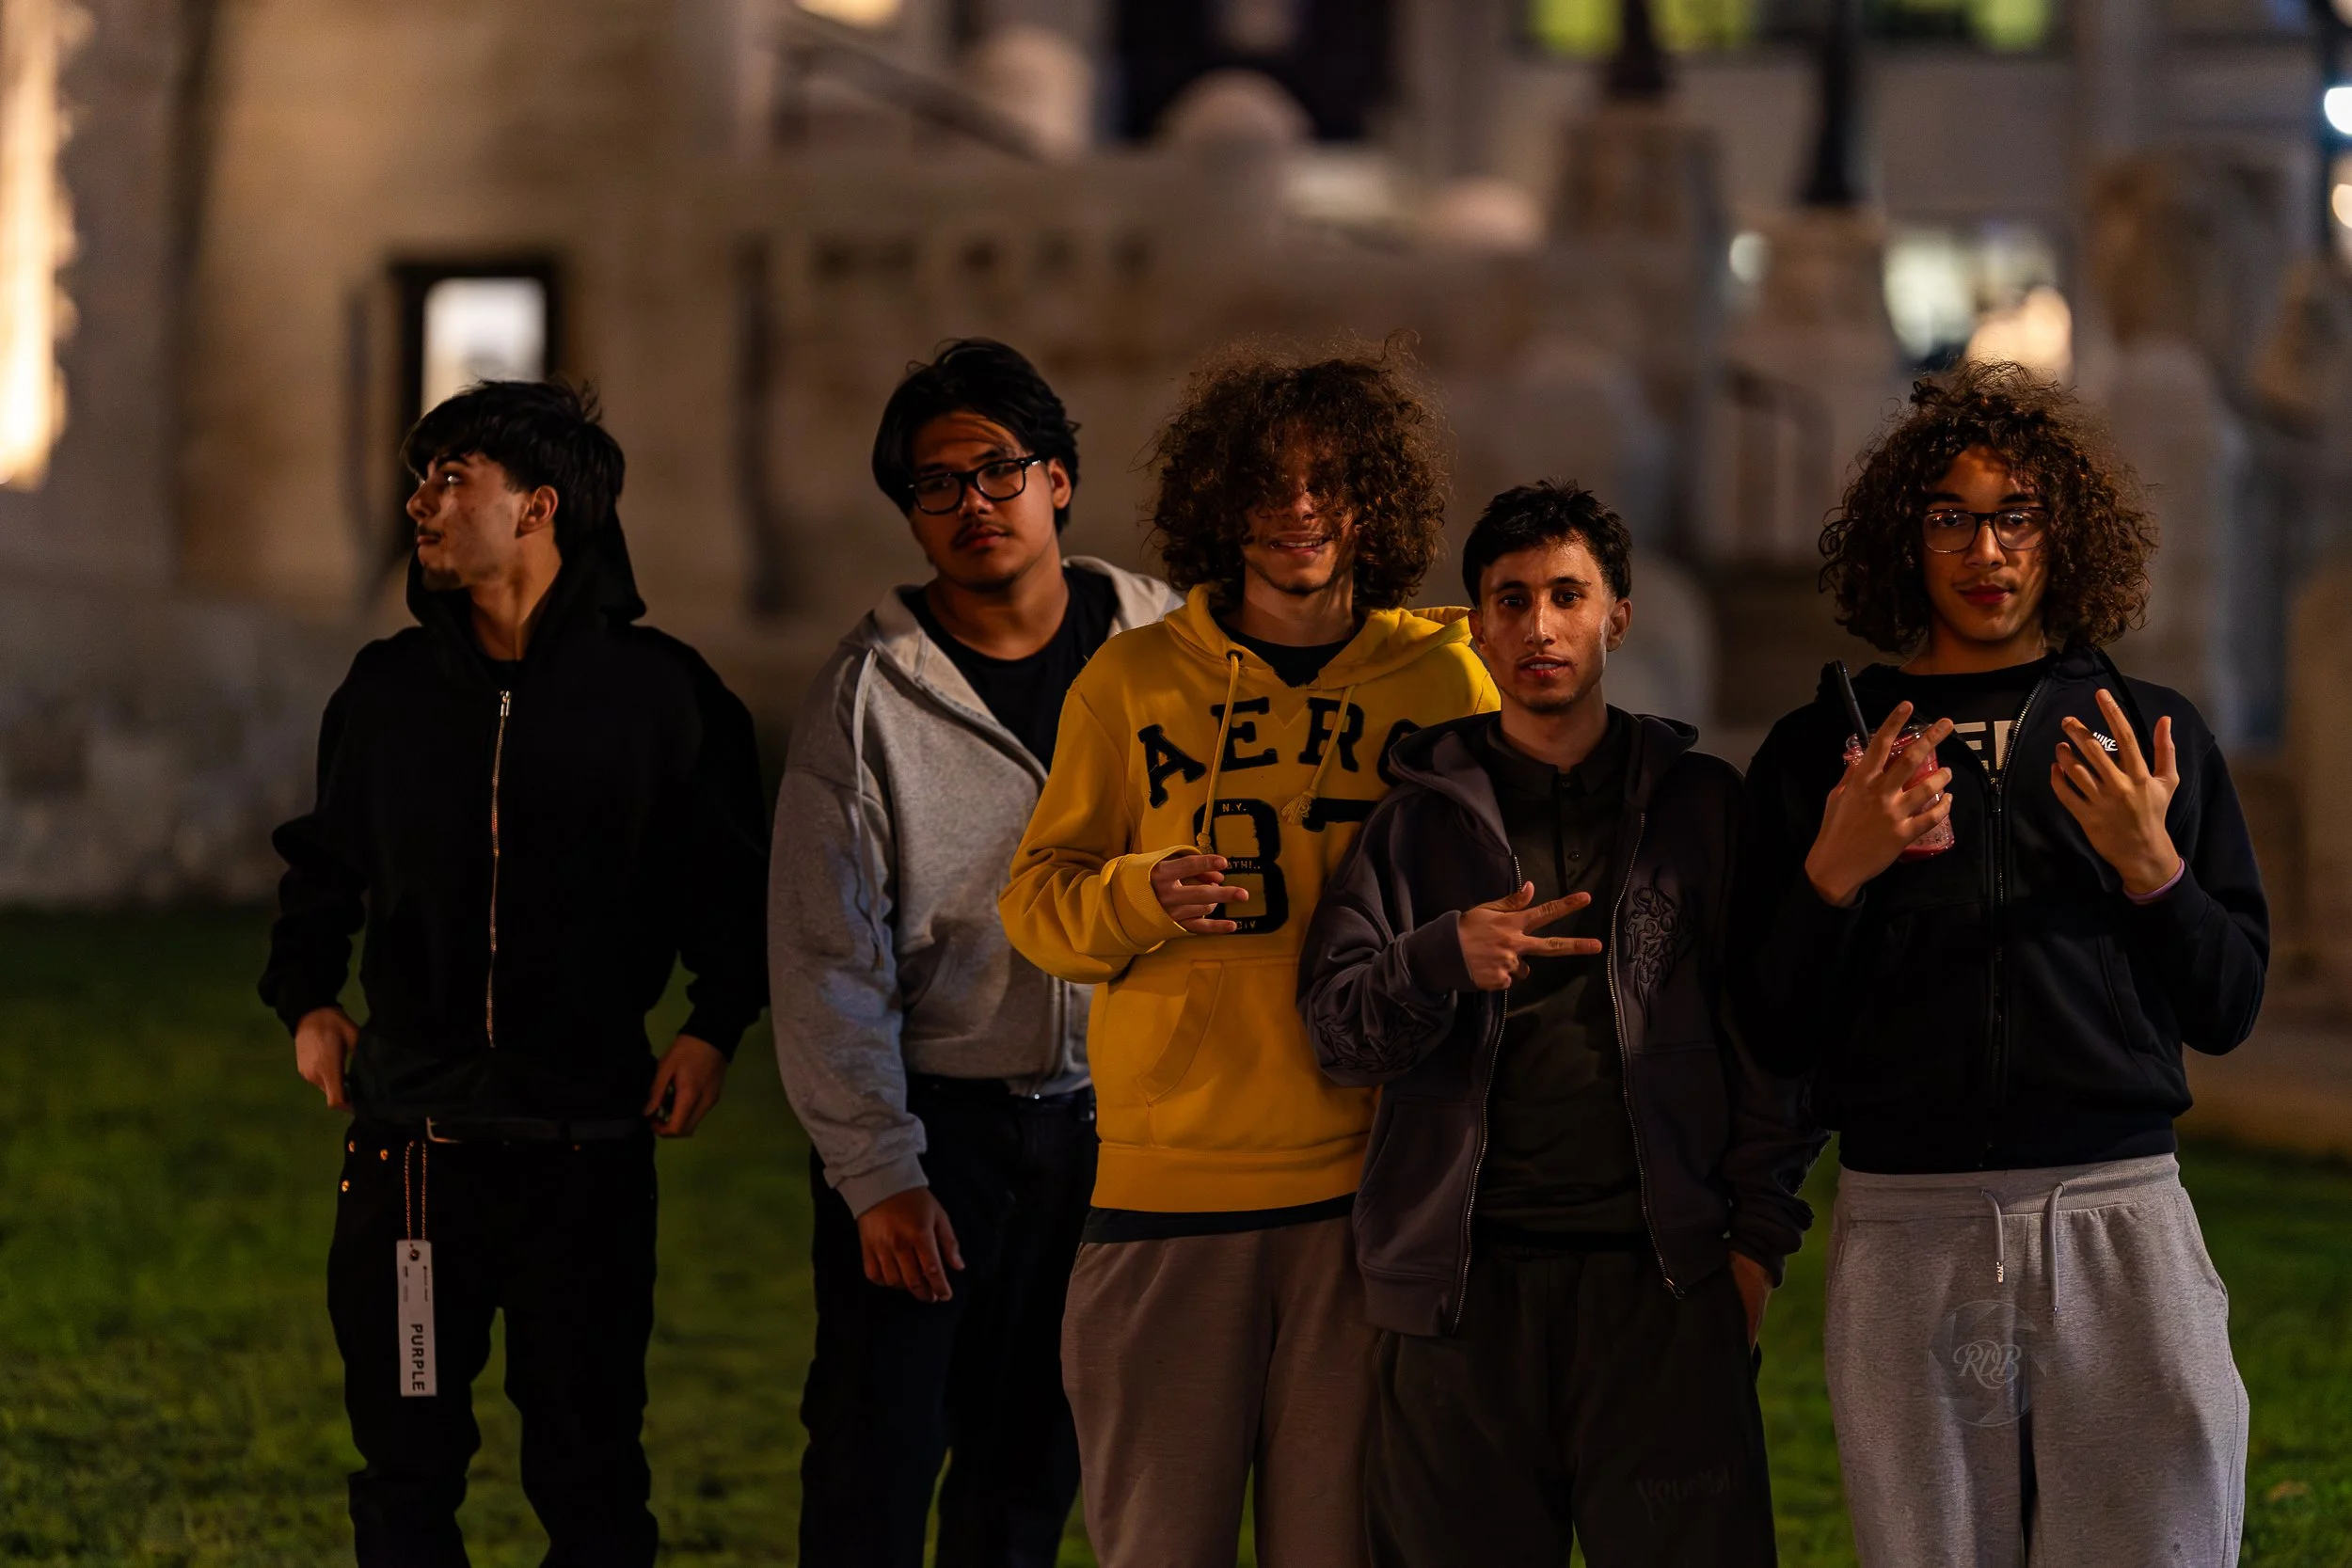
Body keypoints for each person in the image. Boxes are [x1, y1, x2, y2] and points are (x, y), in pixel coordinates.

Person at [1734, 362, 2266, 1567]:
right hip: (1908, 1225)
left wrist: (2151, 867)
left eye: (2015, 514)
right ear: (1902, 539)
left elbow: (2228, 1002)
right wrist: (1833, 868)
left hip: (2115, 1214)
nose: (1987, 549)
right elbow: (1767, 1023)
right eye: (1951, 517)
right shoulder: (1829, 745)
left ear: (2059, 532)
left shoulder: (2146, 731)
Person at [997, 343, 1495, 1568]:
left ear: (1375, 499)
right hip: (1168, 1197)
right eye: (1267, 484)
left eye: (1331, 480)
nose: (1301, 510)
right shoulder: (1130, 680)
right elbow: (1036, 903)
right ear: (1216, 503)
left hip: (1363, 1200)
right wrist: (1142, 892)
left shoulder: (1440, 676)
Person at [259, 380, 769, 1566]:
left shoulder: (665, 697)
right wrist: (309, 998)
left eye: (450, 480)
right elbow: (322, 864)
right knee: (405, 1470)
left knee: (590, 1476)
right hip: (415, 1161)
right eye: (420, 478)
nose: (417, 504)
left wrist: (713, 1024)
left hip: (582, 1152)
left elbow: (729, 889)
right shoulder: (385, 691)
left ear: (539, 506)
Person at [1297, 482, 1819, 1567]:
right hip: (1458, 1303)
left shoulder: (1701, 805)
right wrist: (1438, 955)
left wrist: (1754, 1250)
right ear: (1477, 626)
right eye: (1512, 598)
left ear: (1616, 614)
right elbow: (1336, 1035)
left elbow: (1774, 1036)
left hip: (1662, 1290)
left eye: (1567, 595)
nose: (1540, 624)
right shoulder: (1412, 823)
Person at [771, 340, 1178, 1567]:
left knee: (1032, 1469)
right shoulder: (871, 696)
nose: (973, 506)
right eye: (935, 486)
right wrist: (879, 1169)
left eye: (998, 471)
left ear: (1058, 480)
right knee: (875, 1461)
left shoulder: (1169, 648)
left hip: (1117, 1128)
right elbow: (824, 953)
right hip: (937, 1133)